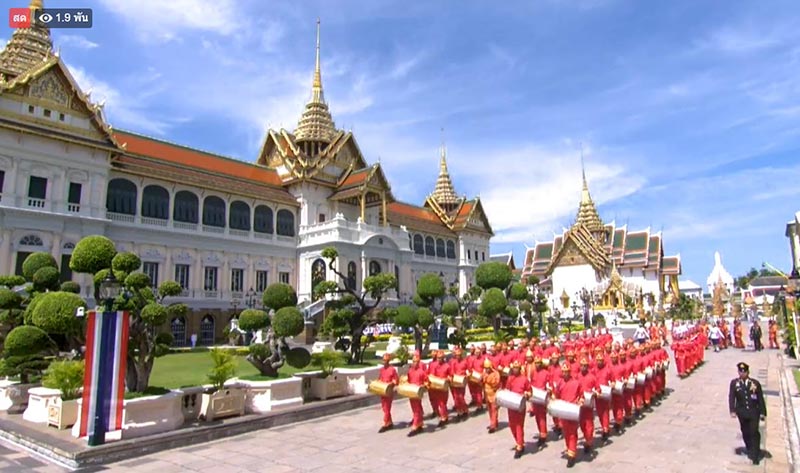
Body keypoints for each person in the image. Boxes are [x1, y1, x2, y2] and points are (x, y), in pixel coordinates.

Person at [728, 362, 766, 464]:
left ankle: (755, 455)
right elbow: (731, 397)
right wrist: (732, 410)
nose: (742, 374)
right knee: (745, 432)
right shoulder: (734, 383)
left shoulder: (755, 383)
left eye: (744, 372)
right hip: (742, 412)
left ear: (748, 372)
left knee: (754, 431)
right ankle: (750, 447)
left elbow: (760, 398)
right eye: (740, 372)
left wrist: (763, 412)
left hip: (754, 411)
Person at [506, 360, 533, 458]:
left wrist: (527, 394)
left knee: (519, 426)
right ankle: (519, 441)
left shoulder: (525, 379)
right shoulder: (510, 378)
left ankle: (519, 446)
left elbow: (530, 391)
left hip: (520, 405)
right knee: (512, 425)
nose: (515, 370)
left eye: (517, 368)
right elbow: (507, 390)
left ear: (520, 368)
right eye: (514, 368)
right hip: (511, 405)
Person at [406, 351, 428, 436]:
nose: (414, 363)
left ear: (419, 362)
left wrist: (425, 385)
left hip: (418, 392)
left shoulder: (421, 372)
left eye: (416, 362)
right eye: (413, 361)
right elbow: (408, 380)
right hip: (412, 392)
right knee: (415, 408)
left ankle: (415, 425)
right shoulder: (410, 371)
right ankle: (420, 423)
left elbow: (426, 381)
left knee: (416, 409)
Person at [377, 353, 399, 433]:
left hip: (389, 391)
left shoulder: (392, 369)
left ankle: (386, 423)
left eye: (386, 360)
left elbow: (396, 380)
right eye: (383, 360)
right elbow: (380, 379)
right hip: (383, 391)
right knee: (384, 407)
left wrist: (391, 383)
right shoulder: (382, 370)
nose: (384, 362)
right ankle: (389, 422)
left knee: (387, 407)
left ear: (388, 361)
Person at [483, 358, 501, 433]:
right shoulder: (484, 373)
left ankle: (493, 425)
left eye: (488, 368)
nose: (486, 370)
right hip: (487, 394)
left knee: (494, 410)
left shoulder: (495, 374)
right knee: (490, 410)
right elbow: (482, 383)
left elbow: (496, 384)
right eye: (485, 368)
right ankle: (493, 422)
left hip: (494, 394)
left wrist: (487, 379)